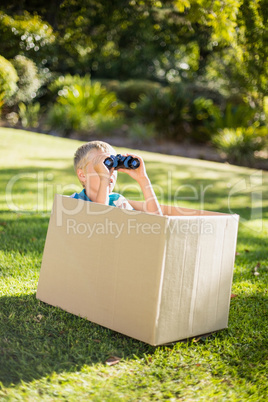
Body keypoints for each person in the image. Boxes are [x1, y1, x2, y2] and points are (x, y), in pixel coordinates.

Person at [71, 140, 162, 215]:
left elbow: (157, 224)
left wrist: (143, 179)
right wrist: (104, 179)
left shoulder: (118, 202)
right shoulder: (72, 202)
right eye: (103, 166)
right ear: (82, 175)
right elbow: (99, 218)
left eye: (113, 166)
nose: (109, 172)